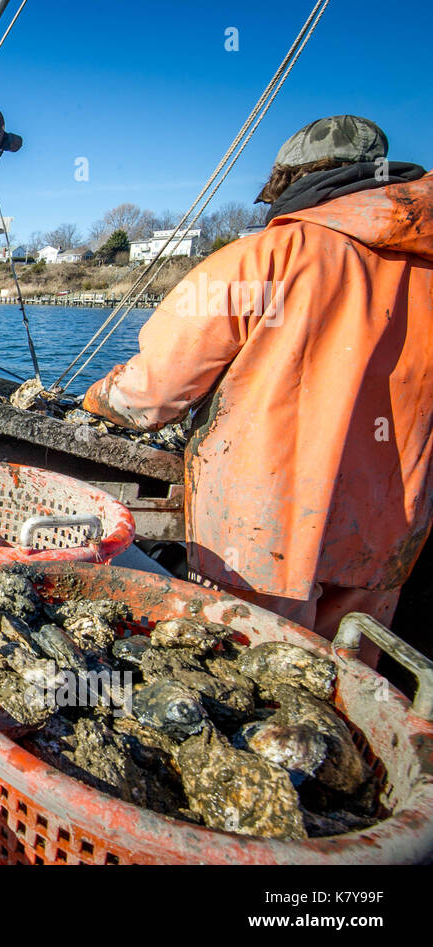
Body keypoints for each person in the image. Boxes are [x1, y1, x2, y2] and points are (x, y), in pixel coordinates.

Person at [81, 116, 432, 659]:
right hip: (387, 533)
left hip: (264, 533)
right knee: (348, 682)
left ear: (293, 181)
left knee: (254, 681)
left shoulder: (268, 259)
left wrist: (96, 398)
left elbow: (150, 396)